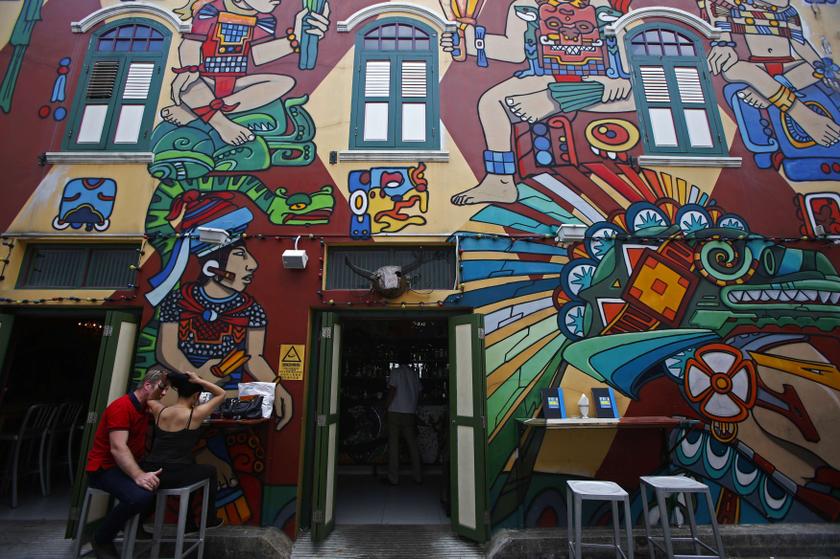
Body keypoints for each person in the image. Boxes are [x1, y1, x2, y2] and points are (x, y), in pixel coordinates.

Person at [84, 367, 170, 559]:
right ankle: (101, 538)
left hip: (124, 465)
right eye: (161, 388)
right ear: (147, 385)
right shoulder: (121, 407)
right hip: (103, 468)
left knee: (165, 478)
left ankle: (135, 525)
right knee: (139, 497)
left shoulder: (145, 407)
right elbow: (118, 448)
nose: (164, 393)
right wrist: (138, 475)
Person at [143, 371, 227, 531]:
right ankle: (209, 519)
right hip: (176, 474)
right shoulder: (194, 415)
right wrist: (198, 380)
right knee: (209, 471)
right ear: (196, 396)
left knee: (192, 465)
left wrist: (163, 382)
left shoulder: (160, 410)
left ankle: (189, 522)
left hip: (151, 471)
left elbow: (151, 398)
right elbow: (221, 393)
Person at [384, 352, 423, 486]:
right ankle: (418, 476)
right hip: (410, 413)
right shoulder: (414, 374)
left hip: (395, 411)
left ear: (398, 360)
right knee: (412, 444)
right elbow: (419, 392)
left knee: (394, 445)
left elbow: (392, 390)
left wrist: (386, 406)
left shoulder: (395, 372)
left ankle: (393, 478)